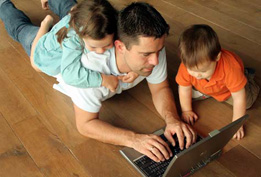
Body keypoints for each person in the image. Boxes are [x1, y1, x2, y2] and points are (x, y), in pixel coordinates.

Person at [1, 0, 197, 162]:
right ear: (120, 47)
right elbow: (85, 124)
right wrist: (134, 139)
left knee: (74, 10)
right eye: (146, 54)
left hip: (81, 30)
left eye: (158, 51)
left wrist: (172, 120)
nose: (155, 61)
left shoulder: (151, 46)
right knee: (22, 30)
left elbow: (160, 87)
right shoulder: (89, 69)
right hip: (49, 51)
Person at [0, 0, 138, 93]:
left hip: (70, 21)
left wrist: (134, 67)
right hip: (43, 48)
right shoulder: (73, 40)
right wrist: (103, 79)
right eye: (94, 47)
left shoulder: (104, 21)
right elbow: (70, 74)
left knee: (71, 7)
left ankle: (51, 19)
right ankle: (4, 5)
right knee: (20, 29)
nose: (101, 51)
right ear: (82, 36)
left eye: (107, 45)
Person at [176, 24, 260, 140]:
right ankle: (208, 91)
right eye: (192, 70)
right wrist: (186, 110)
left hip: (227, 89)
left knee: (247, 102)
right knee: (184, 95)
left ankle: (247, 76)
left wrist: (236, 125)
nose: (197, 75)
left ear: (217, 57)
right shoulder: (187, 67)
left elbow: (239, 97)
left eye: (203, 70)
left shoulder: (230, 68)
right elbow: (184, 88)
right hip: (205, 87)